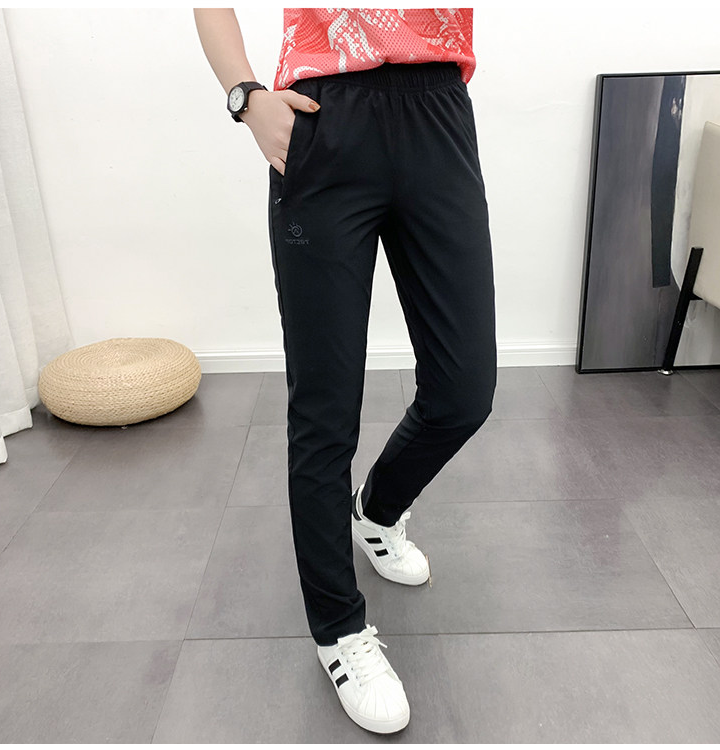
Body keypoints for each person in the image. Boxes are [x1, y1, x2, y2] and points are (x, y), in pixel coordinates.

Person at [193, 8, 497, 735]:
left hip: (438, 111)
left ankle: (378, 510)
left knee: (464, 391)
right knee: (324, 408)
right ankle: (339, 630)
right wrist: (245, 96)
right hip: (323, 118)